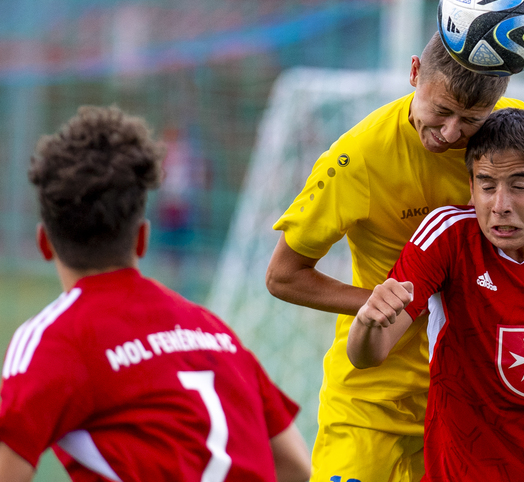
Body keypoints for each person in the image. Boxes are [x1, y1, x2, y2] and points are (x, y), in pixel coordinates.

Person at [265, 32, 524, 481]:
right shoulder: (357, 158)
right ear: (414, 73)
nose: (450, 133)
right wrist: (380, 304)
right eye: (441, 111)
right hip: (372, 400)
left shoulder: (515, 141)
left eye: (471, 120)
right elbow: (283, 276)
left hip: (477, 403)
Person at [0, 106, 310, 482]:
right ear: (143, 238)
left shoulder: (54, 339)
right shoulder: (213, 330)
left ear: (44, 243)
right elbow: (296, 465)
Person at [348, 108, 524, 481]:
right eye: (487, 186)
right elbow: (366, 356)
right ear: (471, 188)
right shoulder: (447, 236)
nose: (500, 205)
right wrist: (368, 321)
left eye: (518, 186)